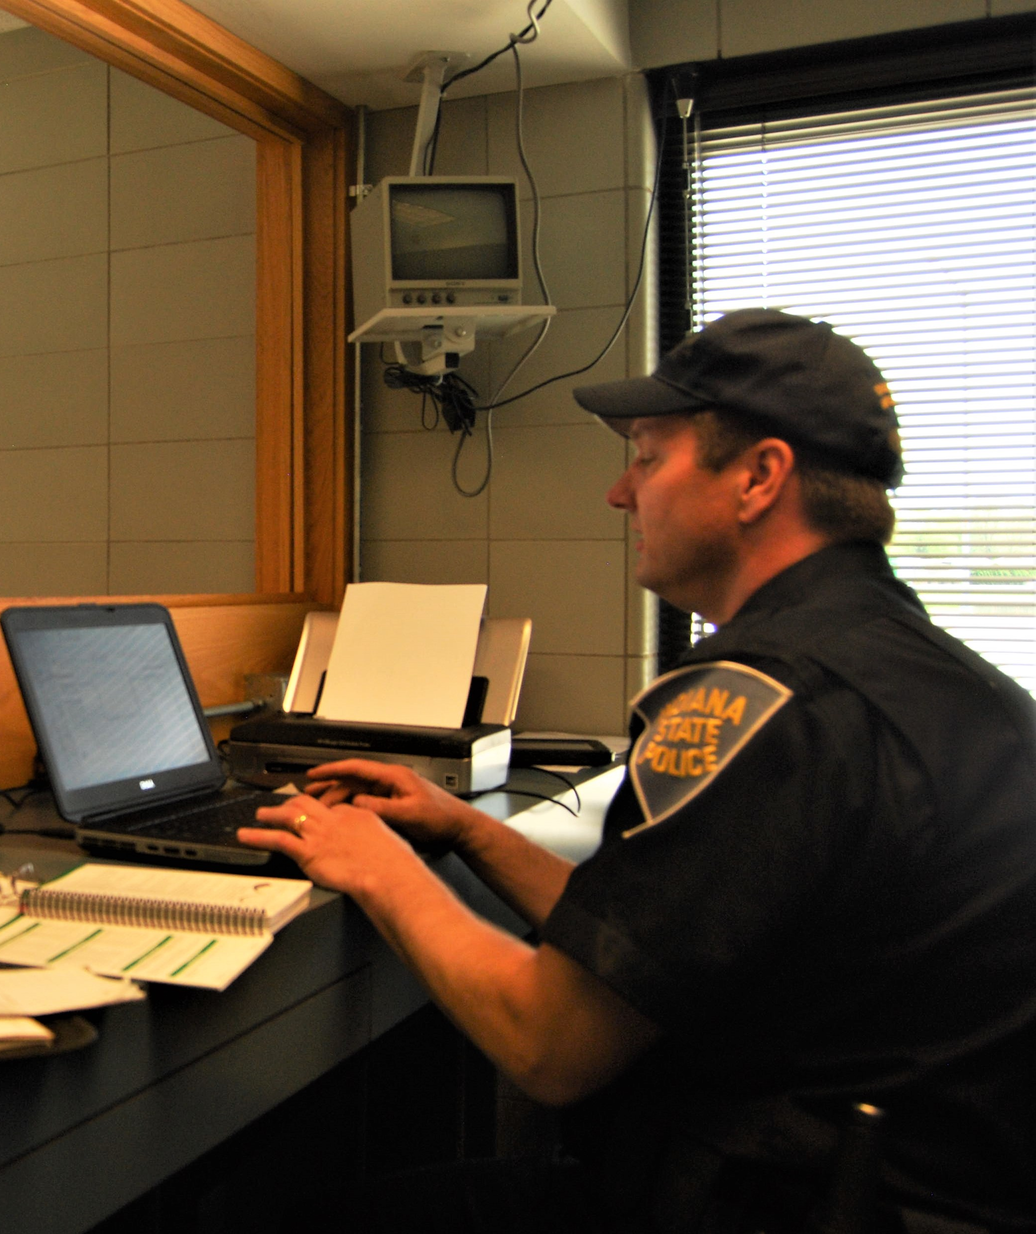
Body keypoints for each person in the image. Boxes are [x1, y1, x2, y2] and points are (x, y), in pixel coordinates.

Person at [240, 310, 1036, 1232]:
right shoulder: (944, 681)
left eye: (649, 458)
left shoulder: (762, 695)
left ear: (759, 478)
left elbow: (551, 1044)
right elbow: (663, 938)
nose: (622, 494)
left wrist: (371, 863)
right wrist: (469, 831)